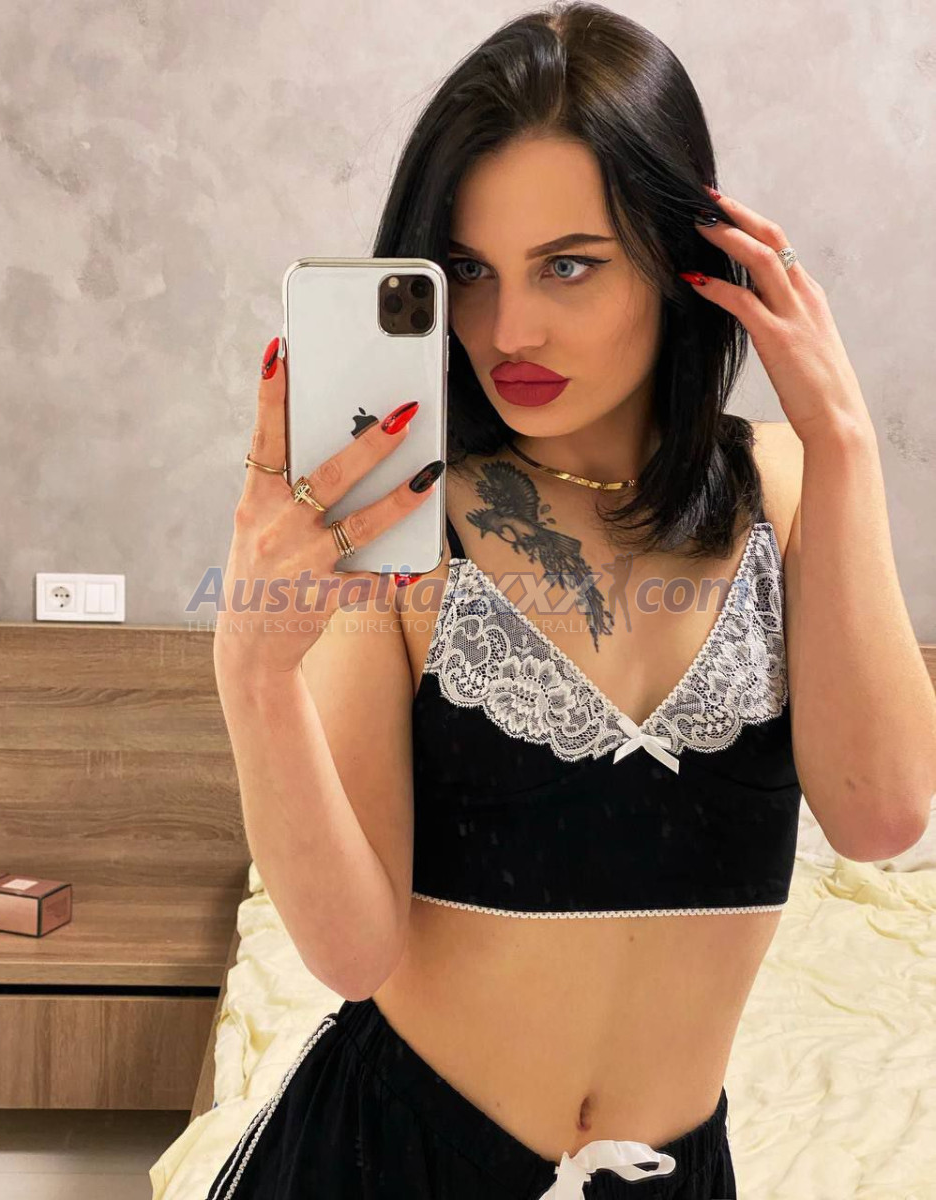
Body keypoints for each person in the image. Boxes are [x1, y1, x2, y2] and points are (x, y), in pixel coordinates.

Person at [207, 4, 817, 1197]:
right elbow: (352, 954)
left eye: (568, 265)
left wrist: (842, 434)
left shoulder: (783, 490)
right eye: (470, 272)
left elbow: (887, 813)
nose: (507, 330)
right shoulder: (397, 517)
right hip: (389, 1161)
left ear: (679, 261)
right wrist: (251, 668)